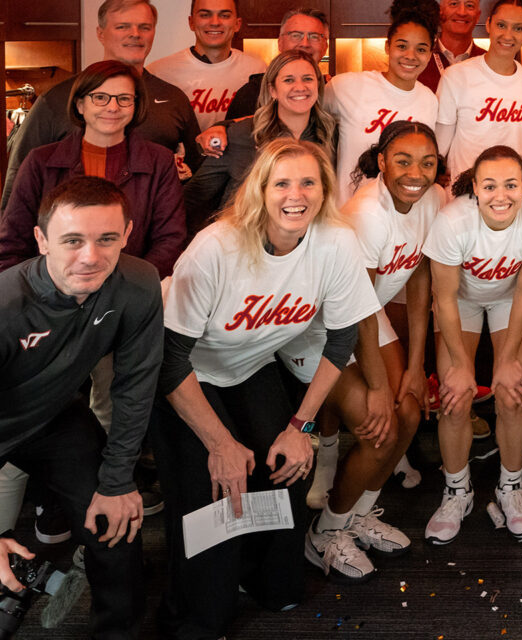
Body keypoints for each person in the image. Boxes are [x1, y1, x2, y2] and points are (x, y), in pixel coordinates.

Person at [150, 139, 380, 637]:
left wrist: (302, 427)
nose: (295, 194)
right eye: (282, 183)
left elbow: (340, 344)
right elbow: (169, 361)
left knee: (287, 466)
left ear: (323, 191)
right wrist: (221, 443)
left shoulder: (336, 243)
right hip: (180, 375)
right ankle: (195, 611)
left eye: (308, 183)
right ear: (260, 189)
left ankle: (266, 582)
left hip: (249, 366)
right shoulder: (217, 246)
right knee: (214, 484)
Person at [278, 121, 440, 581]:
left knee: (409, 410)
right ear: (382, 161)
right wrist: (374, 386)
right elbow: (355, 314)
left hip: (366, 314)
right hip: (317, 327)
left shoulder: (430, 199)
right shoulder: (369, 211)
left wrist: (415, 365)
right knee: (379, 427)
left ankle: (357, 514)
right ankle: (325, 533)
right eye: (403, 160)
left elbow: (420, 277)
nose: (416, 172)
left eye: (427, 162)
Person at [1, 176, 162, 638]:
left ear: (127, 234)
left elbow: (134, 386)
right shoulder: (6, 305)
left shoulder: (138, 282)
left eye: (107, 238)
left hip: (53, 418)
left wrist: (117, 481)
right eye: (73, 240)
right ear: (41, 240)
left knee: (116, 516)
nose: (91, 256)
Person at [422, 145, 522, 544]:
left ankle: (511, 486)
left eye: (510, 185)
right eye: (489, 186)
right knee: (454, 393)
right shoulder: (453, 221)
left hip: (510, 299)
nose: (500, 195)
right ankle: (457, 490)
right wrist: (461, 366)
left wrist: (505, 361)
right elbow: (445, 298)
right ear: (474, 188)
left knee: (511, 393)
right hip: (461, 302)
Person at [2, 0, 202, 209]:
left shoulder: (173, 98)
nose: (135, 34)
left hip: (149, 233)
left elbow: (198, 175)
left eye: (145, 27)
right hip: (73, 233)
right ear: (101, 34)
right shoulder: (57, 99)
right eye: (122, 26)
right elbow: (19, 181)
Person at [1, 61, 185, 275]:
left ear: (136, 106)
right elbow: (13, 243)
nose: (112, 107)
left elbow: (170, 240)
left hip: (130, 295)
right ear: (80, 105)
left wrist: (127, 286)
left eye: (124, 99)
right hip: (52, 296)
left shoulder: (159, 161)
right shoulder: (40, 162)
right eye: (100, 97)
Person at [182, 49, 336, 234]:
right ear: (272, 90)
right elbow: (193, 198)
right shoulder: (241, 135)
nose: (300, 87)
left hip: (307, 247)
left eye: (308, 79)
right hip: (244, 244)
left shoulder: (330, 134)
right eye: (288, 80)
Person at [325, 1, 439, 205]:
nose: (410, 56)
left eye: (421, 49)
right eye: (401, 46)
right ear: (387, 46)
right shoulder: (345, 87)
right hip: (348, 214)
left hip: (401, 219)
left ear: (430, 54)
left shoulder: (429, 100)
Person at [435, 0, 522, 186]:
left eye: (518, 28)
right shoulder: (457, 76)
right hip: (467, 195)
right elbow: (440, 146)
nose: (508, 35)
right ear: (488, 24)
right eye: (501, 25)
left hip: (514, 197)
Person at [147, 0, 266, 130]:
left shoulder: (258, 70)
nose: (215, 22)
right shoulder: (159, 72)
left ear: (237, 24)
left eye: (224, 15)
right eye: (205, 15)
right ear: (191, 22)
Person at [222, 7, 329, 122]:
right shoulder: (251, 94)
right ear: (280, 43)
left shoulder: (334, 91)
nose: (305, 43)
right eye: (295, 35)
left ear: (325, 47)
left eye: (314, 36)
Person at [419, 0, 485, 92]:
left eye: (470, 5)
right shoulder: (419, 59)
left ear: (478, 16)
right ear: (440, 11)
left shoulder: (488, 63)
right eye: (454, 4)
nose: (462, 12)